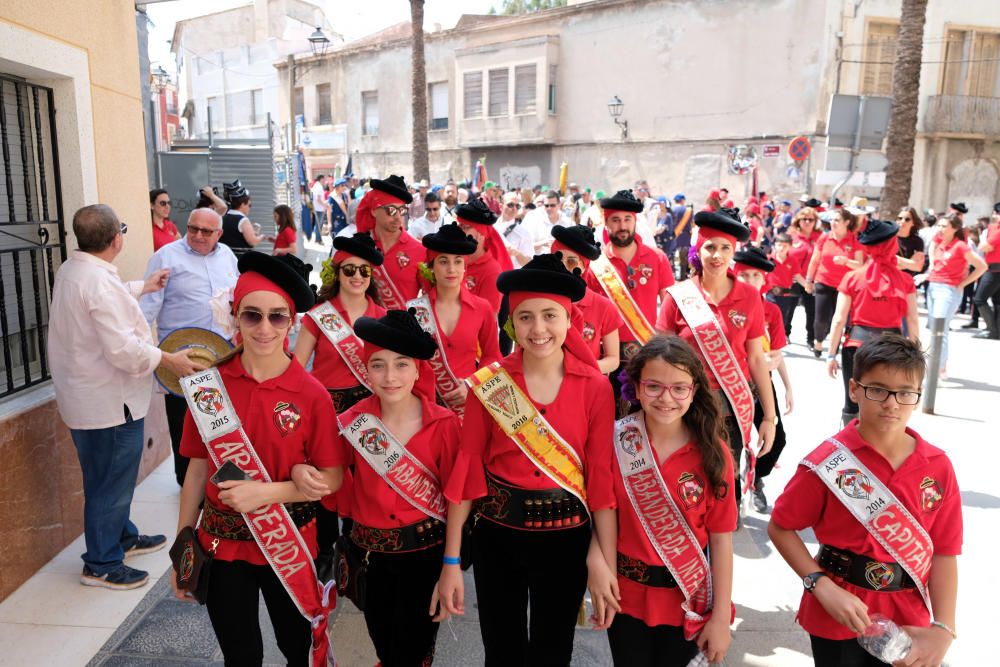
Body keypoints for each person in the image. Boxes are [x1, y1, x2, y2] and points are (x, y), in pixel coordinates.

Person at [432, 253, 616, 666]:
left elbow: (601, 479)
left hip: (567, 539)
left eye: (550, 315)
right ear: (511, 322)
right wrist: (451, 561)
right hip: (498, 537)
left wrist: (603, 558)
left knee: (554, 652)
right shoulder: (491, 385)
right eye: (525, 317)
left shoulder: (596, 389)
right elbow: (468, 467)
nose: (538, 329)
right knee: (502, 651)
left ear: (570, 321)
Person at [172, 251, 345, 666]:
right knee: (240, 654)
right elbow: (197, 469)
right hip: (222, 546)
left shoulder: (311, 394)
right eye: (252, 315)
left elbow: (333, 478)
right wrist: (183, 546)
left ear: (291, 321)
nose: (265, 328)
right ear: (235, 317)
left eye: (277, 317)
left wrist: (267, 492)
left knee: (297, 648)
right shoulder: (208, 388)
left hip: (288, 542)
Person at [769, 334, 961, 667]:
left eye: (905, 393)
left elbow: (944, 551)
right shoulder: (828, 462)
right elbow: (781, 527)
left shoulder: (937, 465)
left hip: (908, 616)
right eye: (878, 390)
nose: (892, 403)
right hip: (838, 613)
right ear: (854, 389)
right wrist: (819, 585)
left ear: (917, 396)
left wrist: (944, 627)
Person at [49, 205, 202, 589]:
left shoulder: (74, 269)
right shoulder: (97, 282)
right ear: (116, 239)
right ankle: (100, 562)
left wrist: (144, 286)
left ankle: (121, 536)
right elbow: (123, 350)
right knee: (109, 483)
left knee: (107, 478)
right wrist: (169, 359)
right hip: (107, 404)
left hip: (88, 397)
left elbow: (105, 299)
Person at [299, 309, 462, 665]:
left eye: (402, 364)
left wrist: (451, 565)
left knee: (412, 651)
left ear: (418, 369)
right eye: (378, 365)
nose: (390, 377)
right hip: (370, 559)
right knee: (385, 647)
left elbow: (457, 499)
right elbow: (330, 476)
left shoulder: (445, 425)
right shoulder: (352, 422)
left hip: (425, 557)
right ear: (366, 368)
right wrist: (300, 471)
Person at [589, 335, 735, 666]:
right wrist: (595, 560)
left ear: (694, 391)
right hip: (626, 597)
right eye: (654, 386)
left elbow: (721, 538)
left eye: (679, 388)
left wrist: (721, 617)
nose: (666, 398)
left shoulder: (714, 454)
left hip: (690, 599)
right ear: (636, 388)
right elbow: (602, 511)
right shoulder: (616, 441)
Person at [656, 208, 776, 511]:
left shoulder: (749, 297)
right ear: (698, 249)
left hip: (730, 404)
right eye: (710, 247)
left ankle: (721, 534)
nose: (717, 255)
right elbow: (657, 354)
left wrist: (769, 417)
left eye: (725, 248)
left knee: (724, 472)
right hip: (682, 402)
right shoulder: (678, 296)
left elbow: (756, 359)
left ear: (734, 253)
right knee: (683, 473)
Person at [141, 208, 239, 486]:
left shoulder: (227, 256)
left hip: (222, 357)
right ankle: (186, 487)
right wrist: (155, 356)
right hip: (181, 359)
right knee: (185, 426)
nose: (196, 235)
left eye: (206, 231)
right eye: (192, 228)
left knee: (221, 424)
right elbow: (145, 310)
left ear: (219, 233)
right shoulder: (166, 257)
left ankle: (218, 485)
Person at [825, 218, 920, 427]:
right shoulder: (905, 281)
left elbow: (839, 319)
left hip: (857, 346)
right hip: (892, 349)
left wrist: (830, 354)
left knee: (853, 401)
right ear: (892, 246)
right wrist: (916, 355)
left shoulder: (852, 278)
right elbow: (912, 320)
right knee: (889, 402)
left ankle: (849, 447)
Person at [587, 190, 674, 414]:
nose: (622, 225)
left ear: (635, 221)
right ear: (606, 224)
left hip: (648, 353)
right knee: (609, 420)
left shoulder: (657, 258)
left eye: (627, 219)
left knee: (647, 419)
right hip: (606, 357)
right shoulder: (596, 264)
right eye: (615, 220)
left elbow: (670, 307)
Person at [408, 222, 501, 414]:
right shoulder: (414, 311)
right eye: (443, 261)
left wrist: (473, 385)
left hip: (469, 404)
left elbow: (492, 356)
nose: (452, 269)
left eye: (458, 261)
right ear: (432, 267)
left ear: (465, 266)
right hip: (424, 406)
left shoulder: (482, 308)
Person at [732, 247, 794, 514]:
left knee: (777, 439)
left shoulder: (771, 311)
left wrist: (788, 387)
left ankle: (757, 478)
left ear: (764, 279)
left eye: (755, 276)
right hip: (729, 380)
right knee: (731, 442)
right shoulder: (727, 306)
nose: (749, 281)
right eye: (743, 275)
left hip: (760, 383)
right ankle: (732, 496)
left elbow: (775, 354)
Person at [551, 224, 624, 374]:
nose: (563, 268)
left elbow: (613, 359)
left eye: (571, 262)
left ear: (584, 266)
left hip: (586, 387)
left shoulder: (603, 306)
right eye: (557, 259)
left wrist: (579, 370)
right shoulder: (535, 299)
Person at [925, 214, 988, 377]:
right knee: (934, 327)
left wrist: (963, 283)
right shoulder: (939, 240)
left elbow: (981, 266)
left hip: (948, 290)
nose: (940, 228)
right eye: (939, 225)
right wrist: (932, 263)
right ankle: (940, 366)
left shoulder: (960, 246)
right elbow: (932, 246)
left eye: (944, 226)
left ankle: (938, 368)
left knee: (940, 329)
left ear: (954, 228)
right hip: (932, 286)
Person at [355, 175, 425, 310]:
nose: (398, 218)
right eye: (391, 210)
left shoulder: (420, 250)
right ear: (374, 210)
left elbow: (430, 299)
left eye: (402, 210)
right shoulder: (359, 247)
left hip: (402, 328)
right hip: (365, 328)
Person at [805, 208, 864, 359]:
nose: (833, 223)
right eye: (831, 220)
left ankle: (833, 348)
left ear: (847, 222)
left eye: (837, 220)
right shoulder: (825, 238)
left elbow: (860, 265)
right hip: (823, 282)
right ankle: (818, 341)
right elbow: (814, 260)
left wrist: (846, 261)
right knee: (821, 318)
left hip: (845, 288)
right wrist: (809, 280)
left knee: (839, 319)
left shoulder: (854, 240)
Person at [455, 195, 513, 311]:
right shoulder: (454, 259)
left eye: (465, 227)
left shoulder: (491, 271)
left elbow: (490, 318)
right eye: (459, 226)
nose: (459, 231)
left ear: (481, 234)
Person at [789, 207, 822, 350]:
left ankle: (811, 339)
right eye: (804, 219)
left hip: (812, 282)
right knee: (788, 309)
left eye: (811, 219)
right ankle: (785, 333)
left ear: (815, 221)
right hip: (793, 280)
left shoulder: (820, 238)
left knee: (812, 311)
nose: (807, 222)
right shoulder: (791, 235)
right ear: (799, 220)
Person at [767, 233, 809, 337]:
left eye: (785, 246)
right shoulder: (769, 259)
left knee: (781, 320)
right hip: (770, 295)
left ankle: (777, 339)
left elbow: (798, 276)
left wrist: (807, 285)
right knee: (767, 318)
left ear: (790, 247)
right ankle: (767, 341)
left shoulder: (792, 260)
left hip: (785, 296)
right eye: (779, 245)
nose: (781, 248)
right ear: (775, 245)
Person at [972, 203, 1000, 340]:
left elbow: (985, 246)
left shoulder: (997, 230)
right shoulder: (994, 227)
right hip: (993, 267)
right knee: (997, 301)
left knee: (979, 298)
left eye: (996, 213)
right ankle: (996, 330)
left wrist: (985, 241)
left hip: (995, 269)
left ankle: (992, 329)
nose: (995, 216)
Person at [219, 179, 265, 255]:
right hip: (240, 259)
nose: (249, 208)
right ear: (242, 204)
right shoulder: (243, 220)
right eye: (249, 205)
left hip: (225, 257)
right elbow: (252, 242)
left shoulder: (223, 217)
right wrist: (262, 237)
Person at [496, 191, 534, 269]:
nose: (514, 208)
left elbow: (529, 263)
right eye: (510, 205)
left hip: (511, 276)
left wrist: (517, 253)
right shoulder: (491, 227)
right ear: (500, 206)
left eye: (517, 206)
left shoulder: (524, 233)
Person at [895, 207, 926, 277]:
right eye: (900, 218)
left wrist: (897, 259)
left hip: (906, 281)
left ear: (913, 223)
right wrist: (911, 263)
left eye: (907, 219)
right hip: (888, 280)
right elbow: (886, 263)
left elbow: (918, 267)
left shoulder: (917, 241)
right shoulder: (888, 238)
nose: (902, 221)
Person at [670, 193, 693, 279]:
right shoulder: (687, 210)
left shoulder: (671, 209)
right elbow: (692, 224)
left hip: (673, 237)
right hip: (685, 237)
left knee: (671, 256)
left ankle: (673, 275)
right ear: (683, 200)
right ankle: (683, 276)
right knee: (684, 257)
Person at [308, 174, 330, 244]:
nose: (324, 181)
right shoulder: (319, 187)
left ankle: (317, 239)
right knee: (319, 225)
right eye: (324, 179)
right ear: (321, 179)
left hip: (317, 208)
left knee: (318, 225)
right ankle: (318, 240)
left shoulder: (316, 186)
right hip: (319, 208)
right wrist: (325, 205)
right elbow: (318, 199)